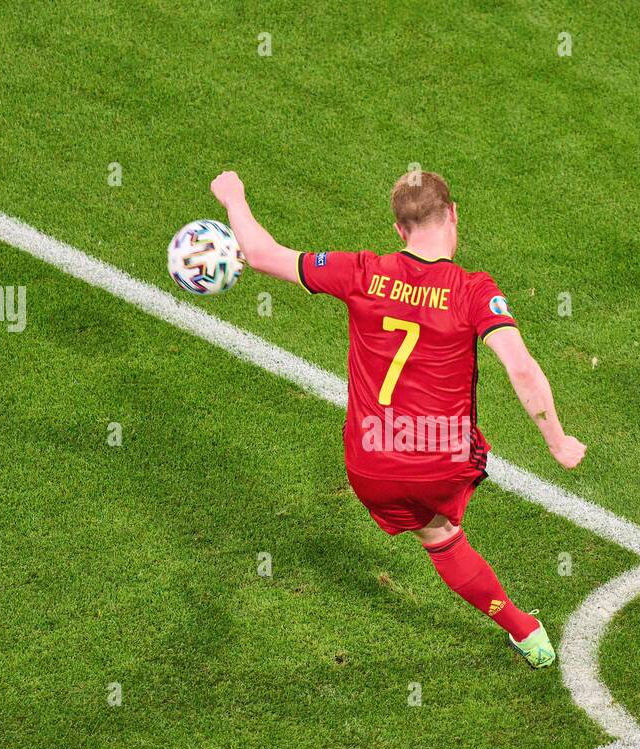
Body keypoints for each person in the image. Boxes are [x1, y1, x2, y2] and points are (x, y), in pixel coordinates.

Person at [210, 169, 585, 667]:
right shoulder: (473, 289)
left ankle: (523, 629)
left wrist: (234, 197)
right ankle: (525, 634)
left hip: (369, 464)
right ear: (453, 215)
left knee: (435, 534)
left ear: (398, 231)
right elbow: (519, 366)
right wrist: (557, 441)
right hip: (440, 459)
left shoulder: (361, 270)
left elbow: (259, 254)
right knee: (444, 529)